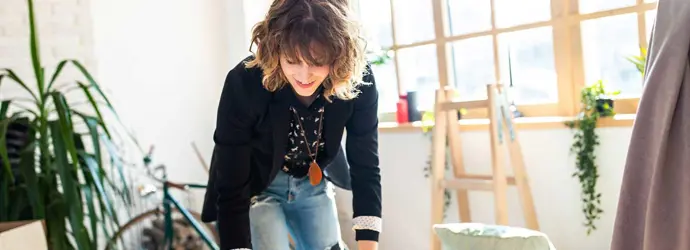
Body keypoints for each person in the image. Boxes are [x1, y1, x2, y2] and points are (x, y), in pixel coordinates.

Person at [200, 0, 382, 249]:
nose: (304, 75)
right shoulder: (244, 83)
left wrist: (368, 244)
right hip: (255, 187)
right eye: (292, 60)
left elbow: (366, 166)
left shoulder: (358, 80)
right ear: (275, 51)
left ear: (339, 56)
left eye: (318, 62)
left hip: (312, 182)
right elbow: (231, 183)